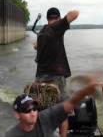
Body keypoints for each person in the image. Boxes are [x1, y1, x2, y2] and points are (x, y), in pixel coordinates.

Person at [34, 7, 79, 137]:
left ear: (47, 19)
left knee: (43, 111)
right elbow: (75, 13)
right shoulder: (56, 28)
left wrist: (36, 45)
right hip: (56, 78)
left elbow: (37, 45)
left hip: (40, 78)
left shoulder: (43, 31)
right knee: (62, 111)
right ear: (57, 18)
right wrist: (61, 22)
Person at [5, 80, 103, 137]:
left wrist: (87, 90)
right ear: (17, 114)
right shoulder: (12, 134)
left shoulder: (44, 117)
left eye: (34, 108)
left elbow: (67, 108)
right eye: (27, 110)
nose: (32, 112)